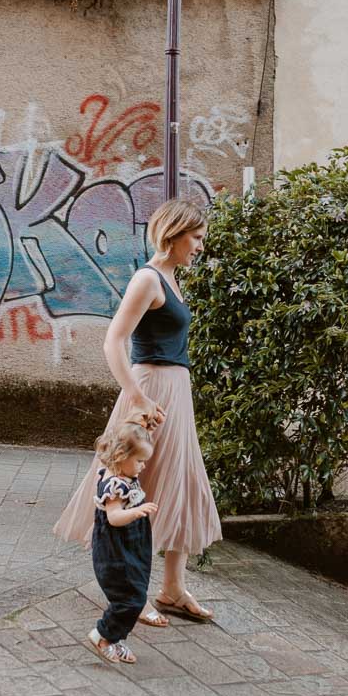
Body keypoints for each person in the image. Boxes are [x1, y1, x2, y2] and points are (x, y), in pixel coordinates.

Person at [53, 197, 221, 624]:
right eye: (196, 238)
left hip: (173, 389)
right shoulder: (147, 279)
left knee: (178, 482)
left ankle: (172, 588)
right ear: (174, 234)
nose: (200, 247)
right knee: (131, 483)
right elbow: (113, 341)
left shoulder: (170, 278)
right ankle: (129, 590)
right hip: (150, 390)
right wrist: (138, 397)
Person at [85, 420, 160, 664]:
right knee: (131, 598)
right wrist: (137, 512)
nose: (143, 466)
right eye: (139, 461)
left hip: (131, 546)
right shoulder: (114, 484)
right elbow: (114, 517)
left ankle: (116, 638)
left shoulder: (123, 473)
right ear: (121, 455)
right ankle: (103, 635)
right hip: (117, 551)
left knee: (135, 592)